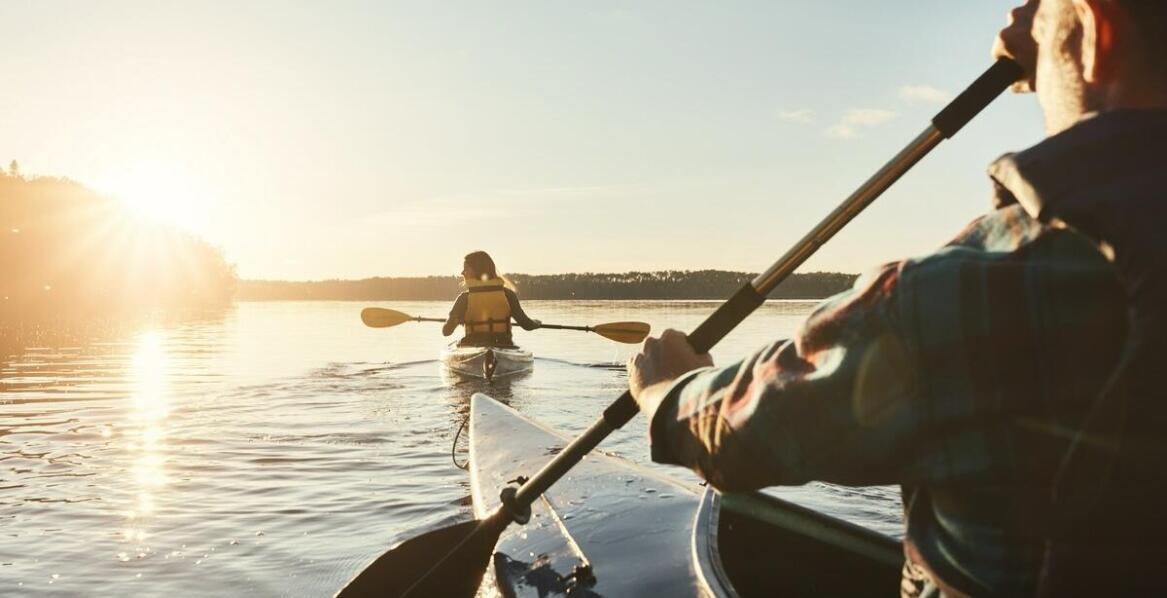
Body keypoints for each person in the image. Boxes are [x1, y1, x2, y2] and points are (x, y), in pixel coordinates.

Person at [626, 1, 1167, 595]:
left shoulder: (973, 291)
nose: (1022, 14)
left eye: (1040, 6)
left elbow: (742, 434)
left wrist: (665, 391)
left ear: (1097, 27)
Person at [442, 251, 540, 347]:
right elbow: (527, 325)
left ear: (478, 270)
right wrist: (537, 323)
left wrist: (455, 321)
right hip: (503, 344)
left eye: (466, 268)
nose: (462, 272)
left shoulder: (464, 299)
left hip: (472, 344)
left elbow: (446, 331)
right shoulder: (508, 295)